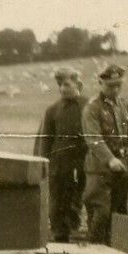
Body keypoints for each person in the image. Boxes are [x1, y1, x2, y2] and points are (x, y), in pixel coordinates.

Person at [81, 64, 128, 245]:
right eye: (110, 86)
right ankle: (95, 249)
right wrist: (110, 159)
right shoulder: (92, 108)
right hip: (99, 168)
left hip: (121, 169)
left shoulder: (123, 104)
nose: (115, 90)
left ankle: (116, 250)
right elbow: (93, 138)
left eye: (118, 86)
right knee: (101, 212)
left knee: (119, 214)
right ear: (100, 83)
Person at [33, 67, 88, 242]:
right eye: (59, 85)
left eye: (66, 84)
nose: (63, 88)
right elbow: (45, 140)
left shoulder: (89, 107)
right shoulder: (53, 110)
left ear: (78, 84)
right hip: (59, 165)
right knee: (57, 201)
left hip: (83, 163)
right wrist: (43, 163)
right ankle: (59, 235)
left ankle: (74, 230)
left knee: (77, 198)